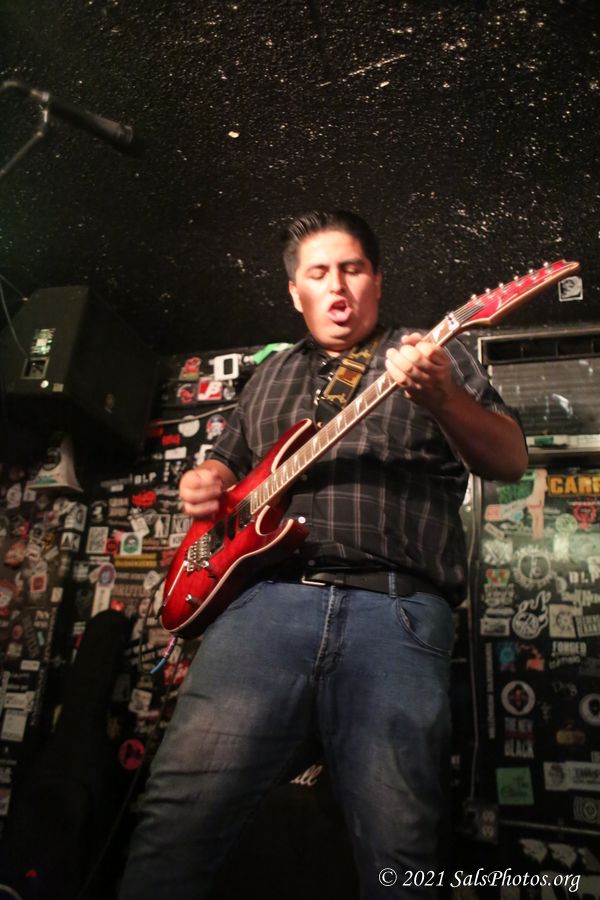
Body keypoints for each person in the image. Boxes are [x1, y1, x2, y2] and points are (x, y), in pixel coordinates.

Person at [119, 210, 528, 899]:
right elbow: (226, 466)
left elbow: (510, 459)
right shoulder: (270, 375)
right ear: (295, 291)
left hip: (394, 613)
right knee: (176, 820)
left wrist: (443, 397)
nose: (337, 286)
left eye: (352, 269)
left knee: (402, 846)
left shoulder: (432, 354)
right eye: (319, 273)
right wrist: (206, 481)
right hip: (260, 611)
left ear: (377, 280)